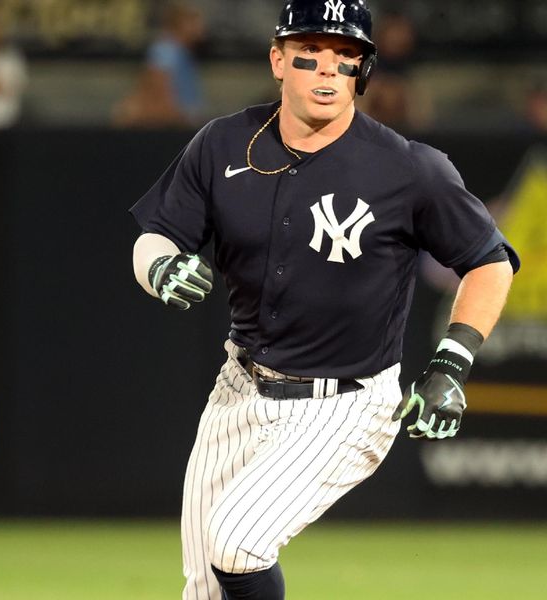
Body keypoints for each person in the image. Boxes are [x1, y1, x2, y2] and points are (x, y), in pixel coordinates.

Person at [128, 1, 518, 599]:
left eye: (347, 58)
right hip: (238, 387)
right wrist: (159, 266)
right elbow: (156, 235)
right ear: (279, 60)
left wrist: (451, 364)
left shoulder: (408, 169)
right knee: (205, 587)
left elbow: (489, 262)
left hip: (344, 402)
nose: (328, 70)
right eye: (311, 55)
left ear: (363, 72)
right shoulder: (223, 143)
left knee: (237, 540)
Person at [112, 2, 205, 128]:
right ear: (181, 24)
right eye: (193, 21)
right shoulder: (166, 50)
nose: (200, 27)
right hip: (167, 127)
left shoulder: (183, 52)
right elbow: (159, 92)